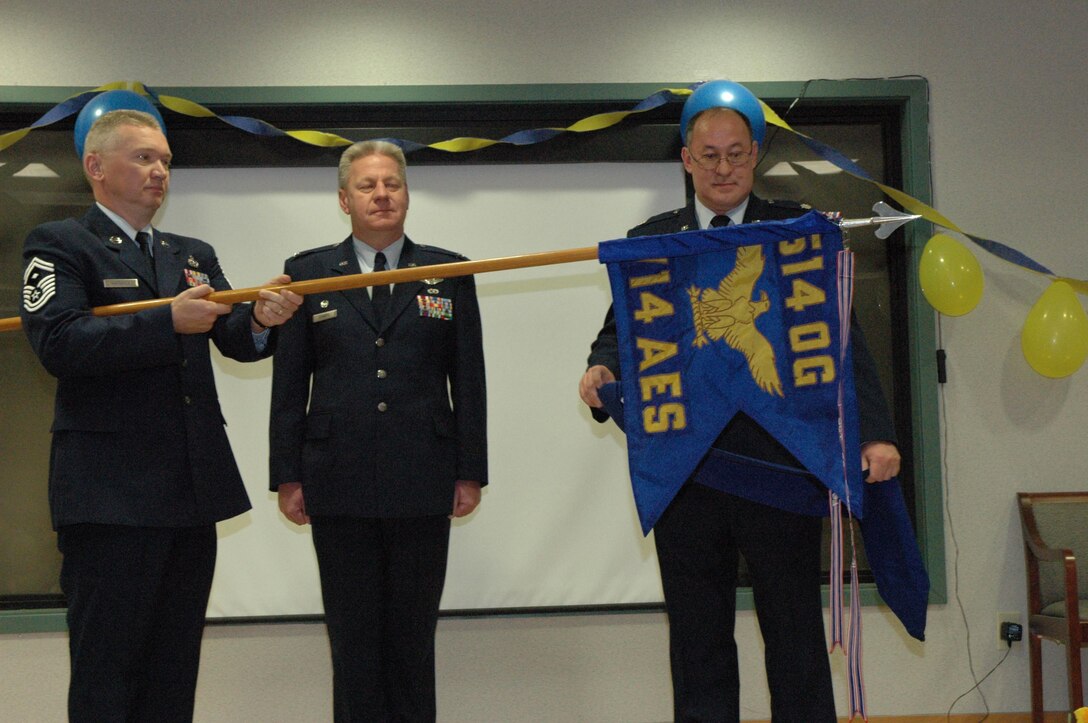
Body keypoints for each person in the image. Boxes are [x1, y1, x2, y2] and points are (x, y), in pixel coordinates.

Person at [578, 102, 901, 722]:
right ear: (686, 161)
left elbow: (842, 337)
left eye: (735, 154)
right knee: (698, 644)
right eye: (709, 156)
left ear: (755, 155)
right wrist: (602, 368)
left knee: (795, 638)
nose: (723, 168)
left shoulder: (797, 232)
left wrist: (877, 435)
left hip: (783, 464)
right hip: (687, 469)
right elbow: (621, 332)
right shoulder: (652, 240)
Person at [19, 108, 302, 722]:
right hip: (109, 498)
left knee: (173, 673)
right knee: (106, 674)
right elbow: (57, 344)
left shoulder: (191, 253)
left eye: (166, 162)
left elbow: (235, 340)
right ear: (96, 167)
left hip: (189, 493)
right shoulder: (60, 244)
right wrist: (164, 321)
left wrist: (261, 318)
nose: (159, 173)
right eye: (143, 158)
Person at [269, 140, 487, 722]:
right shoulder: (309, 273)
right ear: (344, 199)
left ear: (407, 193)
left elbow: (469, 380)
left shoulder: (448, 271)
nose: (382, 194)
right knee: (353, 642)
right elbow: (289, 386)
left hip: (423, 476)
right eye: (367, 186)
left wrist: (471, 471)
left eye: (392, 183)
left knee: (413, 641)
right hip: (335, 480)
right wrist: (286, 476)